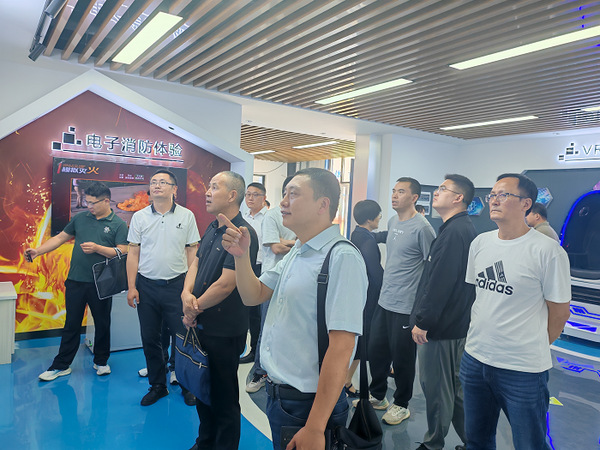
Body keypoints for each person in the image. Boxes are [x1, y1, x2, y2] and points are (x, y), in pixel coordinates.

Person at [221, 168, 367, 450]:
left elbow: (342, 347)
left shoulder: (342, 257)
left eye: (294, 194)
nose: (283, 202)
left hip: (309, 404)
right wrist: (241, 257)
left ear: (323, 204)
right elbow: (254, 295)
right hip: (282, 397)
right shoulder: (299, 250)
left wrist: (315, 427)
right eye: (284, 194)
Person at [460, 173, 571, 449]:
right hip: (475, 359)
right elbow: (478, 297)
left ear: (526, 204)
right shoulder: (480, 243)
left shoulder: (547, 251)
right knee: (476, 440)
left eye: (504, 195)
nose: (494, 200)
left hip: (522, 369)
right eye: (492, 195)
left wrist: (532, 344)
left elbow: (559, 313)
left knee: (529, 443)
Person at [181, 171, 258, 450]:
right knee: (203, 391)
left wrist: (193, 309)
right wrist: (186, 293)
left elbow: (226, 284)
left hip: (224, 330)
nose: (207, 192)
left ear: (232, 195)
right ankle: (205, 442)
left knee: (224, 399)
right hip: (201, 323)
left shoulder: (242, 234)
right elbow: (196, 263)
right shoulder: (213, 227)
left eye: (214, 187)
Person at [27, 181, 128, 381]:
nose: (88, 206)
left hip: (102, 283)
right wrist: (38, 251)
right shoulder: (80, 218)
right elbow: (59, 238)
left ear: (106, 201)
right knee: (71, 323)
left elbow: (123, 251)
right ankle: (61, 365)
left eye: (93, 203)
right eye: (87, 202)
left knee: (102, 323)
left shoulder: (118, 224)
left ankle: (101, 361)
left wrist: (98, 249)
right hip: (76, 280)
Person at [361, 177, 436, 425]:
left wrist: (422, 309)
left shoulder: (423, 228)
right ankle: (378, 396)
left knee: (402, 359)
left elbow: (431, 268)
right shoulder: (393, 221)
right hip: (385, 300)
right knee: (377, 351)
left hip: (406, 305)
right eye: (393, 191)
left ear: (414, 198)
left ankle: (402, 405)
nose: (394, 195)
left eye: (401, 192)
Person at [410, 174, 478, 450]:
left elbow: (440, 283)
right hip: (455, 325)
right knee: (455, 390)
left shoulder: (453, 233)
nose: (436, 192)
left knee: (437, 388)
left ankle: (433, 444)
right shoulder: (459, 228)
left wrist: (424, 321)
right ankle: (475, 442)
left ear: (458, 198)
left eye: (443, 188)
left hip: (440, 328)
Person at [126, 169, 200, 407]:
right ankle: (158, 385)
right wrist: (131, 287)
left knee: (183, 337)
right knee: (150, 338)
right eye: (153, 182)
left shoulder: (187, 216)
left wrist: (190, 288)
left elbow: (192, 251)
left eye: (162, 182)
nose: (157, 185)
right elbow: (133, 253)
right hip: (146, 286)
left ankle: (187, 386)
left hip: (177, 286)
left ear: (174, 189)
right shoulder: (139, 217)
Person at [246, 176, 296, 394]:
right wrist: (297, 242)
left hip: (295, 279)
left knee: (288, 329)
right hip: (272, 279)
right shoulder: (273, 216)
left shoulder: (301, 216)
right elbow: (275, 248)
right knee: (267, 327)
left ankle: (281, 372)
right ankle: (259, 372)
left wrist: (286, 242)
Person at [345, 199, 385, 397]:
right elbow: (375, 273)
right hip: (369, 297)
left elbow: (377, 236)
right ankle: (346, 381)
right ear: (370, 219)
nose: (380, 218)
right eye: (378, 215)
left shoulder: (357, 234)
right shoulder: (367, 241)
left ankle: (345, 380)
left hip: (358, 293)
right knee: (363, 341)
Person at [240, 182, 268, 364]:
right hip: (245, 268)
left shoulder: (268, 218)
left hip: (261, 268)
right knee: (245, 311)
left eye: (255, 194)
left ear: (264, 198)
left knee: (257, 314)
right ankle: (245, 348)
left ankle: (256, 351)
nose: (250, 198)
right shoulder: (244, 218)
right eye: (248, 194)